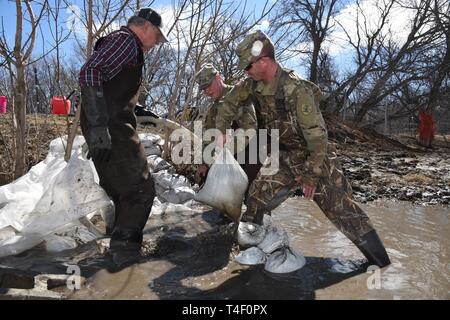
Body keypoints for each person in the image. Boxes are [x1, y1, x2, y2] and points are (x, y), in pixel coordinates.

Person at [215, 30, 391, 268]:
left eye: (248, 66)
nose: (245, 72)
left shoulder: (297, 90)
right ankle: (251, 254)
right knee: (257, 197)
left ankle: (382, 265)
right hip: (284, 156)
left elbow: (319, 138)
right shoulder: (251, 85)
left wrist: (310, 175)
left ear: (263, 61)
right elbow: (229, 102)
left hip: (315, 157)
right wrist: (222, 129)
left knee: (343, 211)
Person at [78, 8, 168, 266]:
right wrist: (98, 126)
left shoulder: (124, 45)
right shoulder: (126, 41)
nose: (156, 44)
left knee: (122, 193)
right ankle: (124, 258)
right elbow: (90, 72)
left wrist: (137, 109)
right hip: (110, 129)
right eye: (158, 38)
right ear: (147, 28)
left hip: (105, 127)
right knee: (141, 191)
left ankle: (115, 252)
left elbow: (110, 88)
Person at [194, 64, 261, 191]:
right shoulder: (213, 110)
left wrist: (224, 154)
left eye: (209, 85)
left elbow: (250, 131)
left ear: (218, 77)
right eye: (204, 88)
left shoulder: (239, 95)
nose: (207, 91)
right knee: (206, 180)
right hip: (229, 156)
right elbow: (209, 138)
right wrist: (204, 163)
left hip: (252, 152)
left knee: (250, 197)